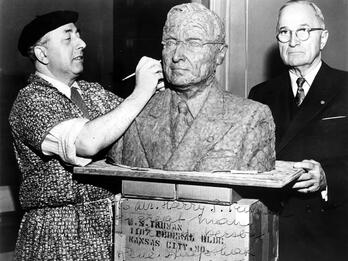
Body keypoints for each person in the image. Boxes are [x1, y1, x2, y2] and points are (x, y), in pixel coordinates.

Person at [9, 10, 163, 260]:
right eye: (68, 38)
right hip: (58, 236)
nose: (82, 43)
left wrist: (156, 94)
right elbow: (86, 143)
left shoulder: (92, 92)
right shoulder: (31, 100)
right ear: (41, 53)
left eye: (79, 35)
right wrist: (140, 93)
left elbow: (134, 125)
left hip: (109, 228)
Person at [108, 3, 275, 173]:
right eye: (171, 42)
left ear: (220, 54)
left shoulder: (251, 118)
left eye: (193, 43)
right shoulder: (133, 114)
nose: (177, 56)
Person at [248, 1, 348, 260]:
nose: (292, 41)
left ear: (322, 38)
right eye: (284, 32)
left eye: (303, 30)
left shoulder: (346, 87)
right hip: (273, 232)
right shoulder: (260, 94)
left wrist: (328, 178)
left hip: (331, 235)